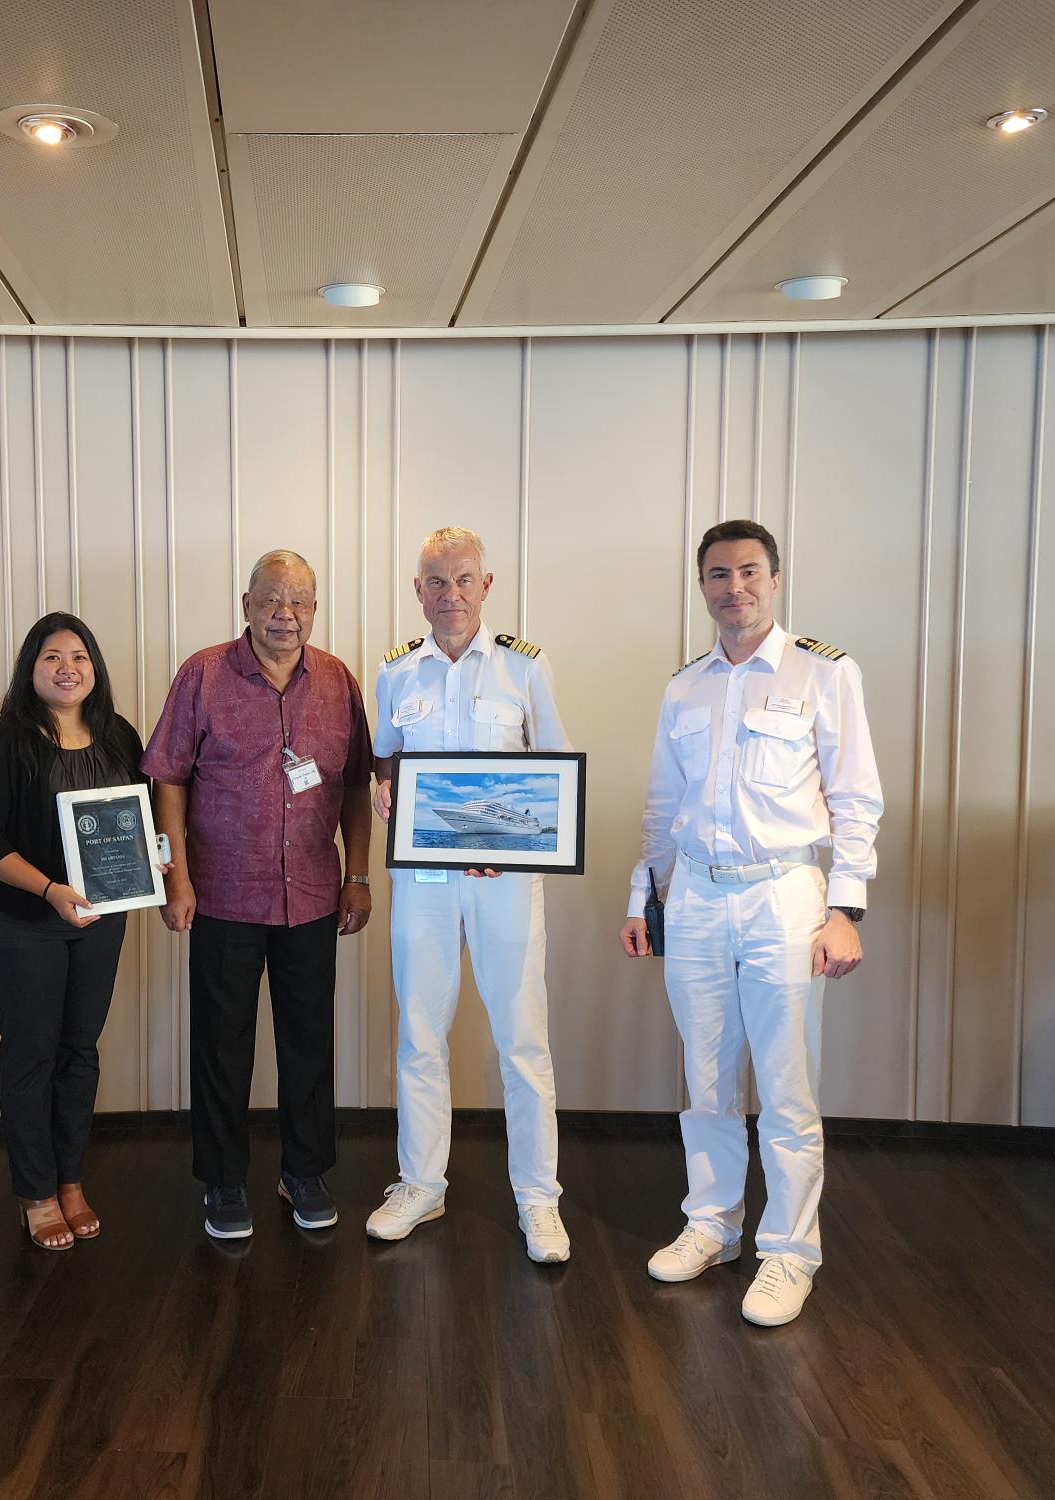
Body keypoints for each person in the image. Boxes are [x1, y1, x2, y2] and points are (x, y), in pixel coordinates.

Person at [619, 518, 883, 1327]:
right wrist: (644, 895)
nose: (734, 588)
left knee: (785, 1085)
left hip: (784, 897)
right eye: (718, 575)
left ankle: (789, 1252)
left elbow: (856, 799)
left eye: (749, 572)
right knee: (705, 1079)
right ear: (701, 585)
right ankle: (712, 1224)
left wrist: (846, 908)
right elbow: (665, 804)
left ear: (774, 579)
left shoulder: (823, 675)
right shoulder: (685, 686)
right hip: (695, 894)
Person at [143, 549, 373, 1240]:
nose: (286, 614)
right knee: (222, 1044)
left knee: (308, 1041)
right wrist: (174, 874)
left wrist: (357, 874)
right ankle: (222, 1180)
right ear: (246, 605)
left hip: (310, 894)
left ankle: (304, 1169)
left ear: (314, 609)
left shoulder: (337, 680)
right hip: (220, 894)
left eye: (300, 600)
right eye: (272, 599)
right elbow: (168, 779)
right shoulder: (203, 674)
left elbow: (355, 783)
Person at [365, 527, 573, 1264]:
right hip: (421, 878)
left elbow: (553, 782)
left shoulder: (525, 667)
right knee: (421, 1031)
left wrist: (506, 844)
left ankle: (538, 1198)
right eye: (434, 582)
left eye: (462, 580)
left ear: (486, 587)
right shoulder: (396, 674)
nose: (449, 595)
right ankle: (421, 1182)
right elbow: (382, 761)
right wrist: (385, 790)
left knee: (522, 1037)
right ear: (417, 591)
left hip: (505, 881)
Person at [0, 613, 148, 1251]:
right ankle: (36, 1192)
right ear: (30, 668)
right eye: (52, 657)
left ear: (94, 667)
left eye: (79, 656)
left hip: (99, 922)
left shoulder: (119, 735)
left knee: (79, 1050)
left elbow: (140, 817)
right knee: (32, 1052)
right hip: (23, 923)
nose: (67, 667)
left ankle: (71, 1179)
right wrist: (49, 890)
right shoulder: (5, 740)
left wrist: (155, 857)